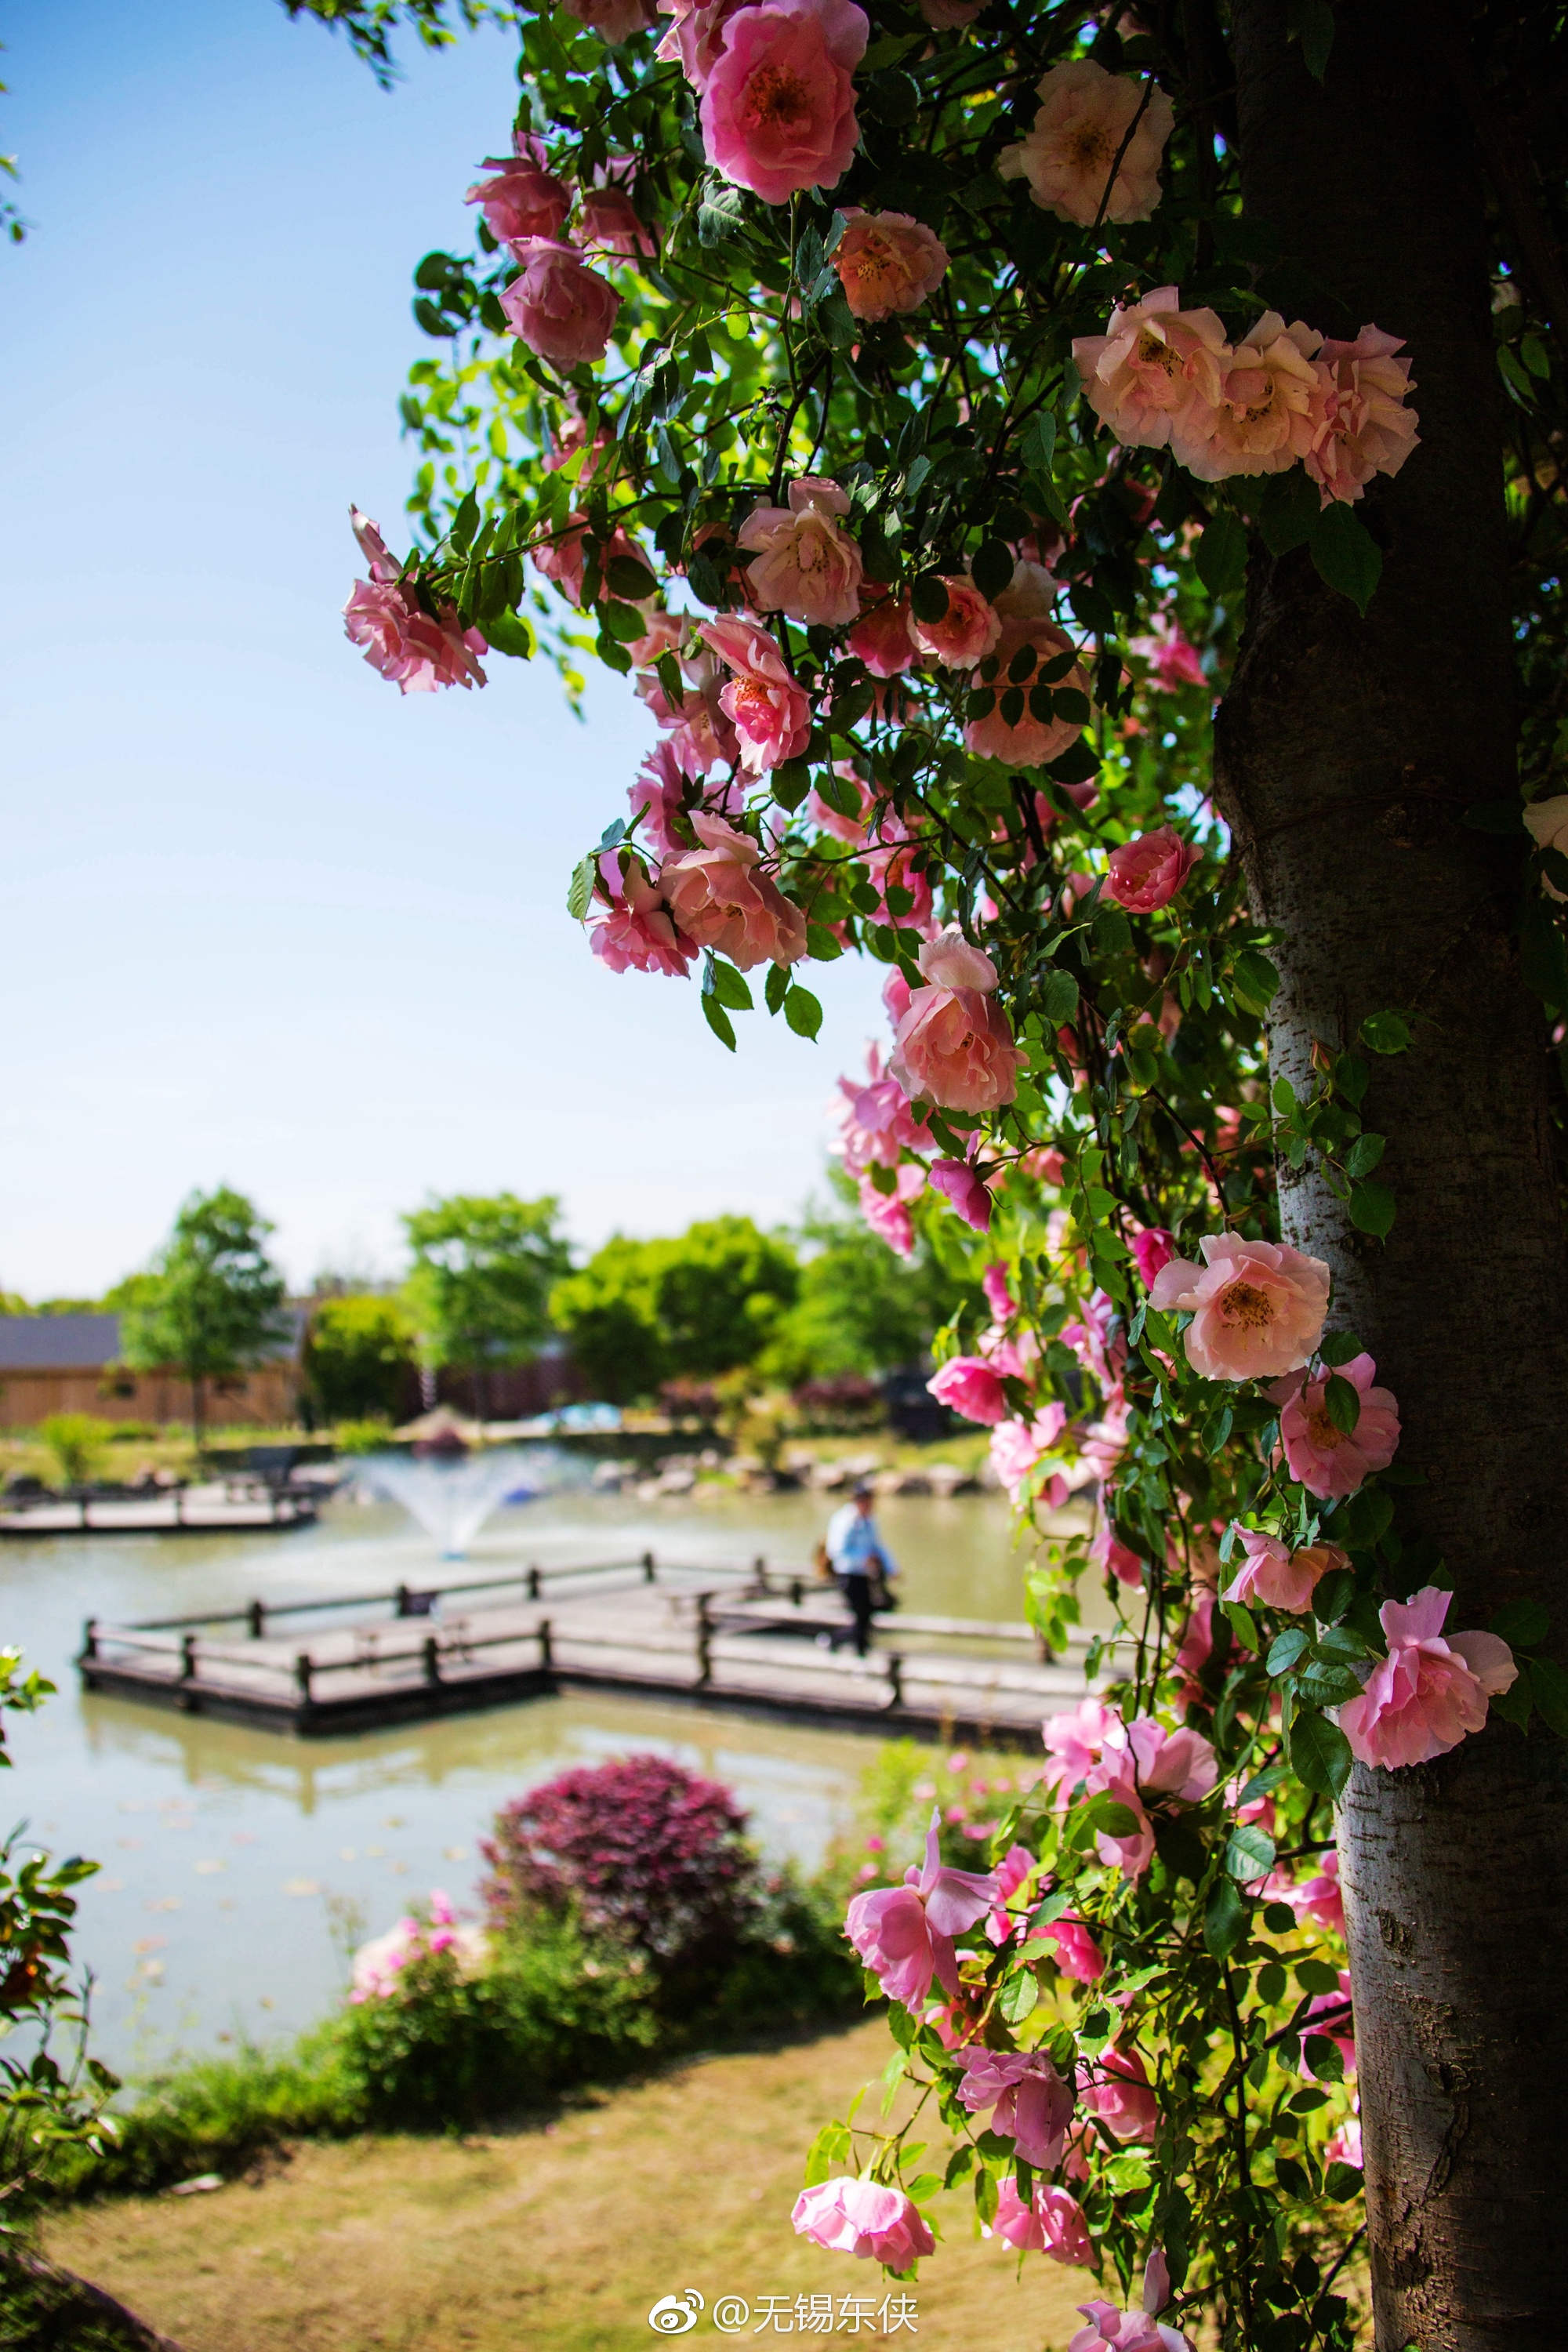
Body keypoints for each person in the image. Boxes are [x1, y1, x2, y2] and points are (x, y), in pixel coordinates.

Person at [824, 1483, 899, 1657]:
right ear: (857, 1501)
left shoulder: (870, 1520)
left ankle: (849, 1645)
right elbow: (836, 1550)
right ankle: (853, 1649)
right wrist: (864, 1557)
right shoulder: (844, 1520)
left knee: (867, 1614)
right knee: (861, 1614)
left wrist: (892, 1567)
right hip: (848, 1574)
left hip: (864, 1575)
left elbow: (877, 1545)